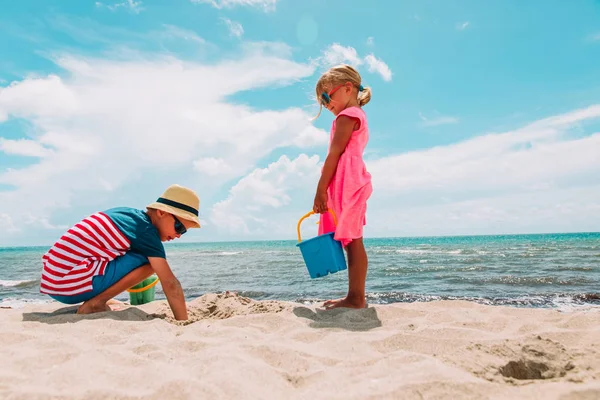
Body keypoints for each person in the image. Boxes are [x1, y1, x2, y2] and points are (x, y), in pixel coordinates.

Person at [39, 184, 201, 320]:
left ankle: (97, 298)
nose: (178, 235)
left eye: (183, 232)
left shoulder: (127, 215)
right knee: (150, 262)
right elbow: (170, 283)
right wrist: (183, 322)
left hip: (55, 281)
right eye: (179, 227)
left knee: (138, 256)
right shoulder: (146, 231)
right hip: (67, 285)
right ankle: (96, 303)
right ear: (162, 213)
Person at [312, 64, 373, 309]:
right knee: (351, 239)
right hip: (351, 180)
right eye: (322, 101)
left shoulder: (347, 117)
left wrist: (319, 189)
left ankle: (356, 298)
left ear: (348, 88)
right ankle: (355, 296)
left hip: (348, 183)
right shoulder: (357, 116)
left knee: (354, 239)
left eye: (327, 96)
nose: (326, 104)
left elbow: (334, 155)